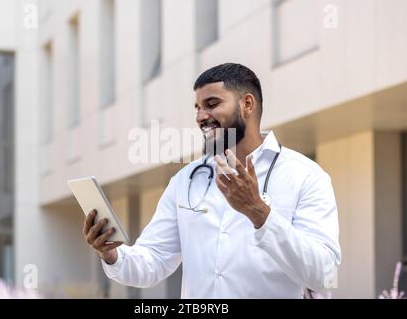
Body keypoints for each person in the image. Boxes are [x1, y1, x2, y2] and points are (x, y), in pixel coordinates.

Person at [83, 63, 341, 298]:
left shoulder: (305, 176)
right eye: (197, 107)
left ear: (247, 104)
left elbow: (323, 273)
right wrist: (112, 254)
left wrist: (259, 212)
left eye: (212, 104)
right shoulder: (185, 180)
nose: (200, 117)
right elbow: (154, 261)